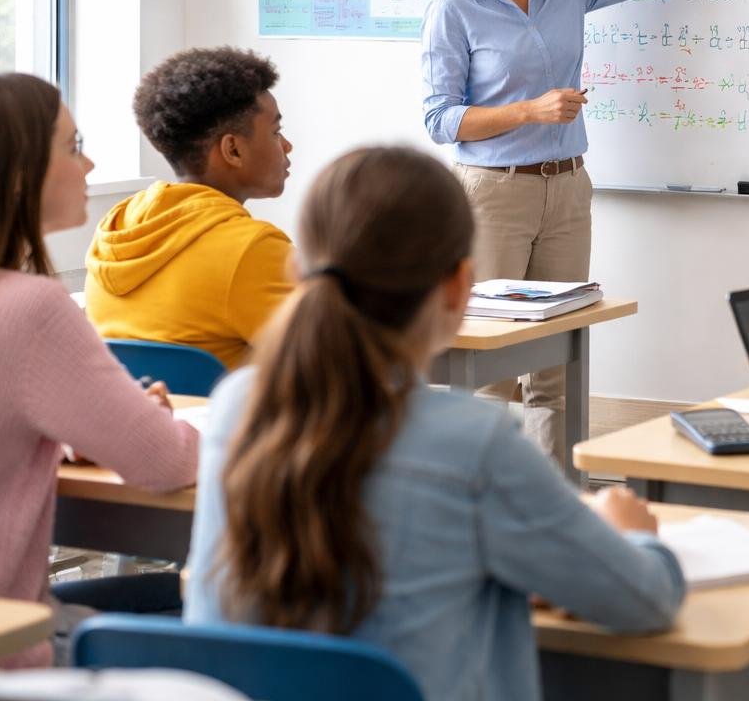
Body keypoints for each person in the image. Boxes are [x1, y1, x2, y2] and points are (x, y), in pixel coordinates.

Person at [184, 146, 684, 701]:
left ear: (299, 271)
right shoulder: (474, 443)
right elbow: (644, 601)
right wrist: (638, 537)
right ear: (459, 285)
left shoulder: (236, 405)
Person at [422, 0, 749, 465]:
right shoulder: (455, 7)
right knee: (489, 366)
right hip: (492, 195)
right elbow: (439, 120)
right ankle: (483, 513)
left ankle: (559, 512)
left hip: (568, 191)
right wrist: (529, 111)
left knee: (557, 362)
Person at [0, 71, 198, 667]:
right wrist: (155, 420)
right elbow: (167, 463)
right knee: (203, 603)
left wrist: (63, 435)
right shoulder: (28, 309)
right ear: (14, 181)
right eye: (74, 147)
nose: (90, 168)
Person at [84, 47, 294, 368]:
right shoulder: (252, 249)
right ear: (233, 149)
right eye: (276, 132)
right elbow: (340, 359)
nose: (287, 145)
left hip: (135, 416)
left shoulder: (116, 230)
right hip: (221, 419)